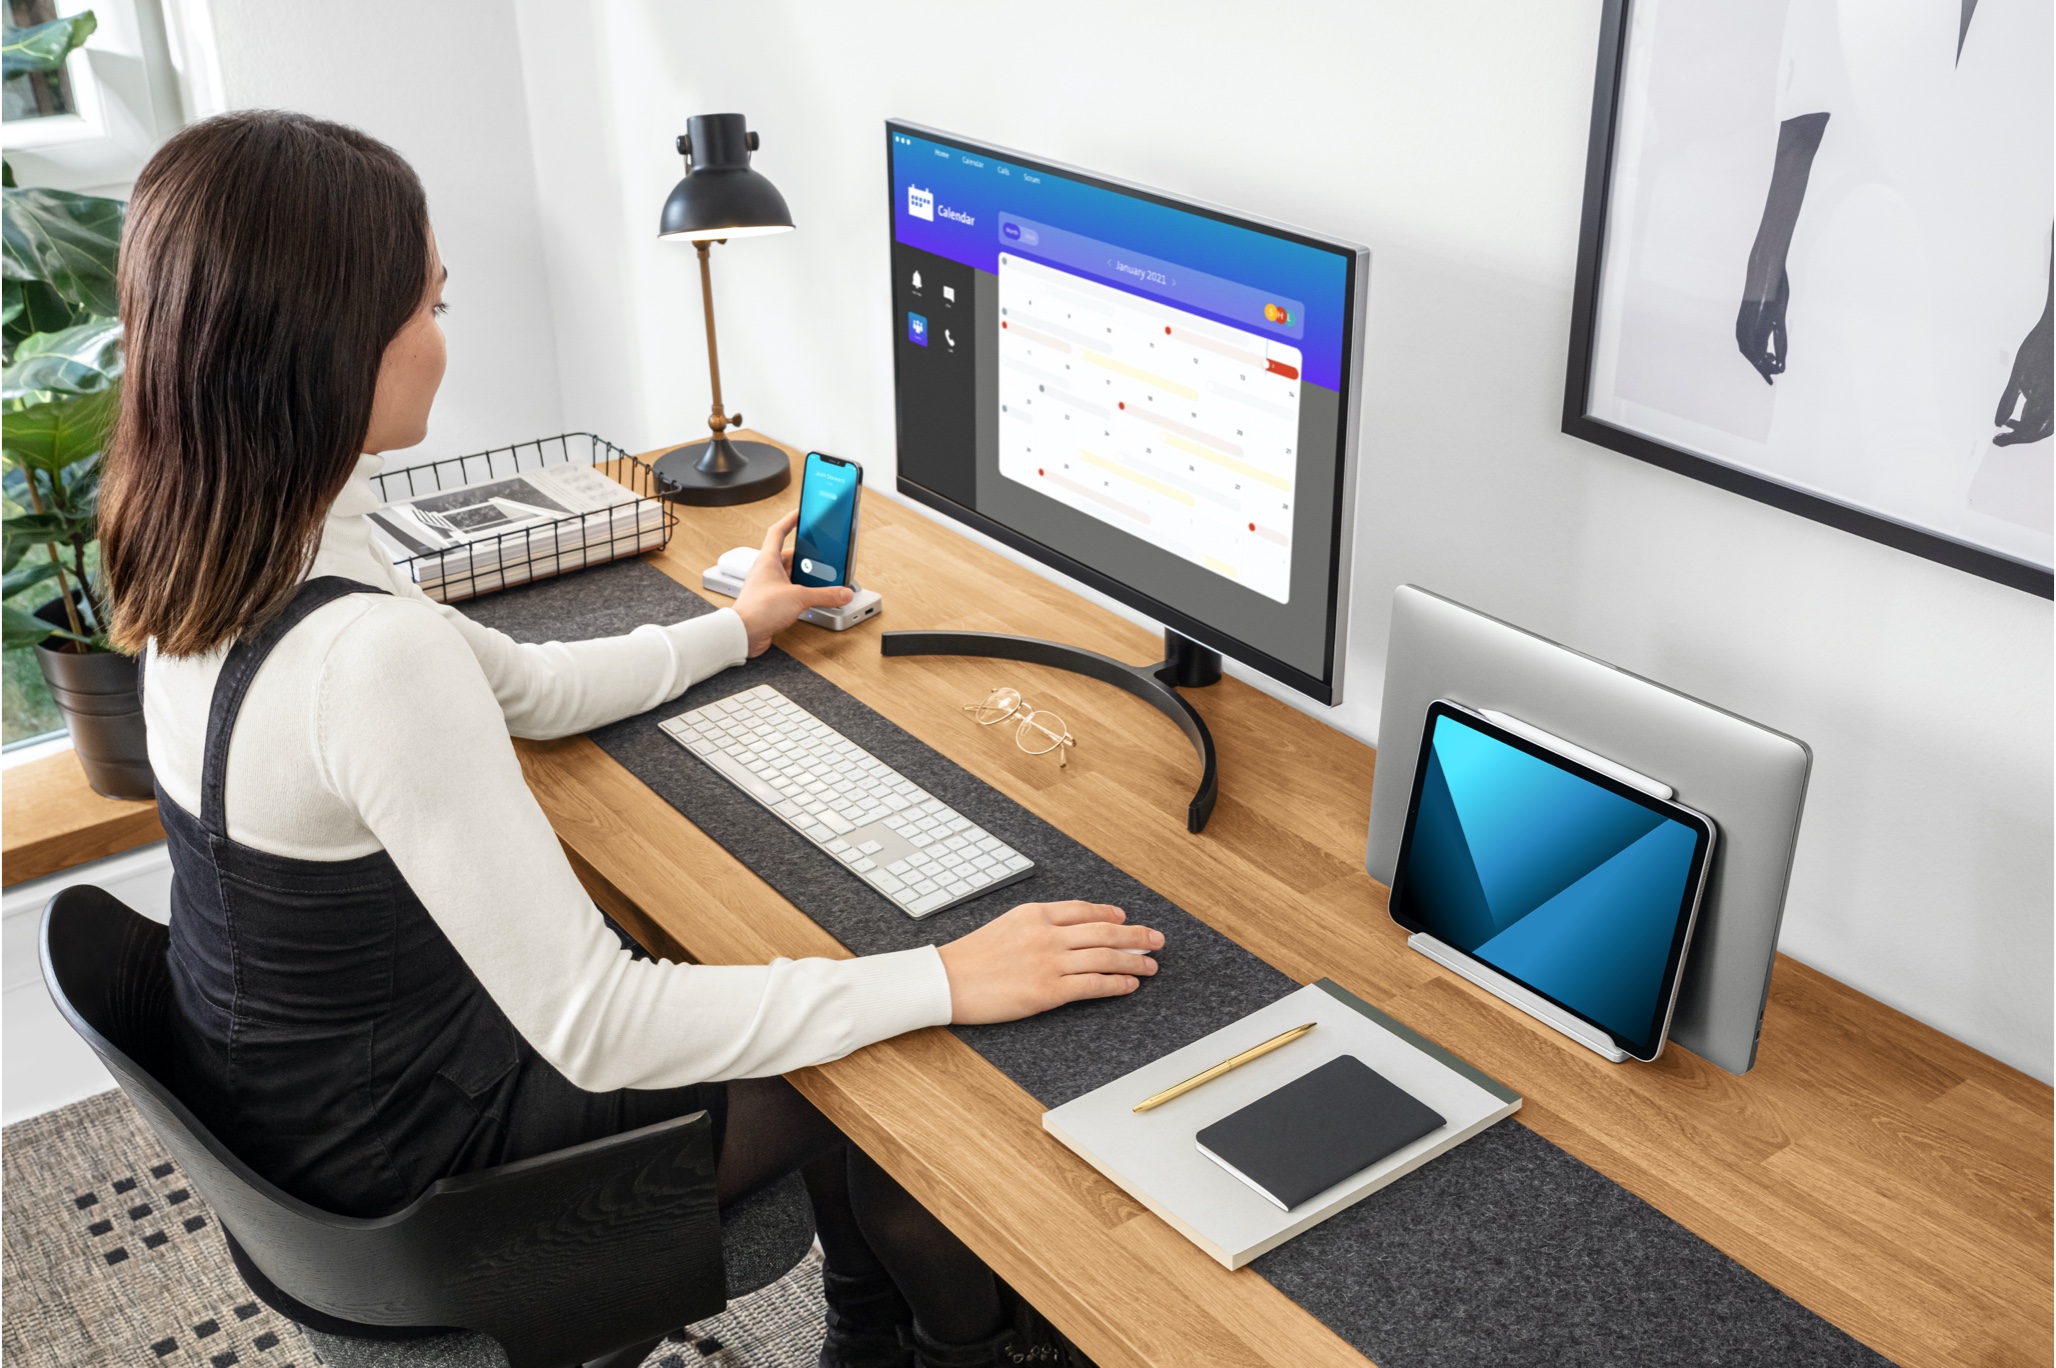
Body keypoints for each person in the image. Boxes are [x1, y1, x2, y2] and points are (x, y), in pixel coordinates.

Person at [98, 110, 1163, 1368]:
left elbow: (528, 689)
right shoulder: (367, 659)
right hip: (421, 1199)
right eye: (430, 307)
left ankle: (863, 1334)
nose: (445, 338)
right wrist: (949, 977)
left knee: (781, 970)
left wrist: (740, 626)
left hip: (305, 1118)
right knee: (862, 1056)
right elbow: (600, 1024)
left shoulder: (221, 547)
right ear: (338, 349)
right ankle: (962, 1346)